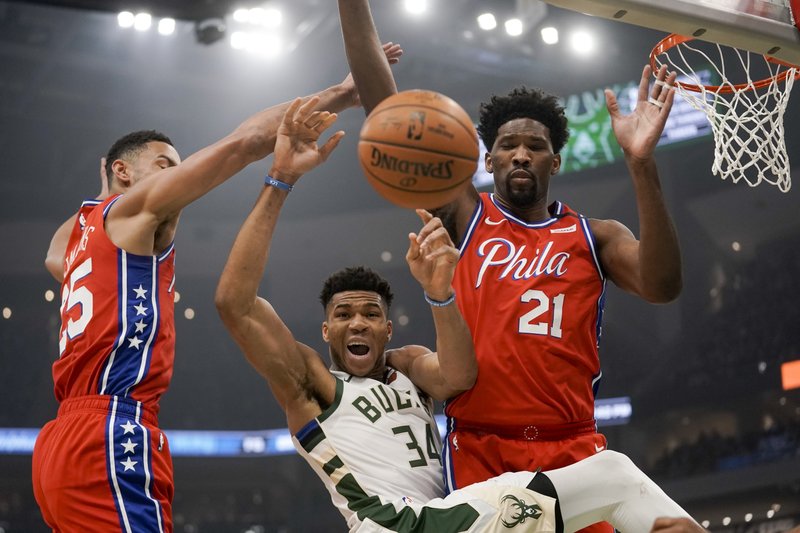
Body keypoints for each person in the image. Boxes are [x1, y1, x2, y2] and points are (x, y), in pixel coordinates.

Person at [214, 90, 704, 533]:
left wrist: (440, 296)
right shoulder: (314, 382)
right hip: (435, 497)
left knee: (614, 481)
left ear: (389, 327)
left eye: (369, 314)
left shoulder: (408, 372)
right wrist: (280, 178)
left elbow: (459, 374)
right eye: (343, 316)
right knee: (617, 477)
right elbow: (236, 305)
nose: (357, 323)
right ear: (323, 329)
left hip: (505, 477)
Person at [336, 3, 683, 532]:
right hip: (481, 447)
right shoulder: (464, 215)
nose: (521, 154)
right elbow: (389, 116)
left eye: (536, 146)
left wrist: (641, 164)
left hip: (574, 444)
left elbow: (662, 285)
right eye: (508, 146)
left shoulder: (595, 235)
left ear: (554, 161)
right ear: (488, 160)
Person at [31, 45, 402, 532]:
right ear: (123, 172)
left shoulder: (76, 242)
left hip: (60, 441)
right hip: (111, 429)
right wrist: (341, 94)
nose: (177, 176)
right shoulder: (129, 214)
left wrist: (104, 188)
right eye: (167, 164)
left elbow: (52, 254)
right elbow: (244, 142)